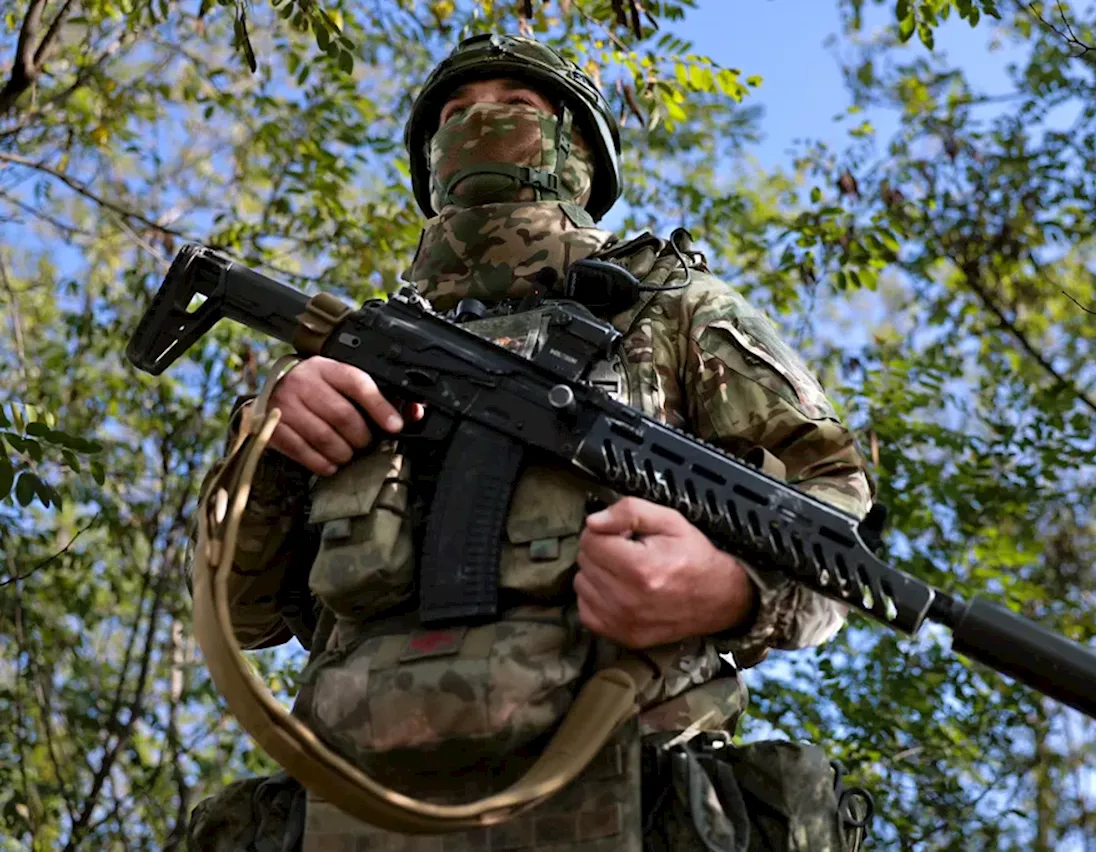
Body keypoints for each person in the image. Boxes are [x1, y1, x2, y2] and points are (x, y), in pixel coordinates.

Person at [186, 33, 875, 852]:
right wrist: (267, 442)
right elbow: (244, 614)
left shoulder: (673, 309)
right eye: (456, 113)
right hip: (351, 815)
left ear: (579, 148)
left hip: (632, 794)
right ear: (429, 160)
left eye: (517, 107)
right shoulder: (353, 357)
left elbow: (840, 521)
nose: (483, 125)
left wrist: (733, 588)